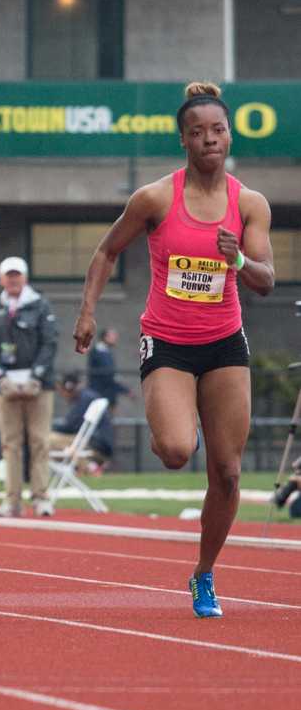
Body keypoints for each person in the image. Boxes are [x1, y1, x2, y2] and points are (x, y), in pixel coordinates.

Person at [74, 81, 275, 618]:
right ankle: (170, 420)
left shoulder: (249, 204)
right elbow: (106, 250)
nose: (210, 140)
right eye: (198, 133)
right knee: (175, 451)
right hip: (166, 341)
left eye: (218, 130)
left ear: (229, 135)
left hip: (225, 343)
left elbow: (266, 280)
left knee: (228, 472)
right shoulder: (156, 198)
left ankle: (204, 574)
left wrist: (236, 261)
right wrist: (89, 310)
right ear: (183, 141)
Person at [0, 256, 59, 518]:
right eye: (8, 275)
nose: (13, 280)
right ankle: (12, 500)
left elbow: (50, 342)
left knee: (39, 441)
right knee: (10, 444)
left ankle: (41, 497)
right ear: (1, 279)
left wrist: (36, 375)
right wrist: (0, 377)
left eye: (17, 275)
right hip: (7, 384)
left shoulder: (40, 305)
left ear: (25, 278)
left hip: (39, 385)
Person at [50, 371, 113, 472]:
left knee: (47, 440)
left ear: (68, 388)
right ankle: (87, 466)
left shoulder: (84, 399)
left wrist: (49, 427)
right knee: (51, 441)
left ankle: (89, 467)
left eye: (62, 390)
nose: (61, 394)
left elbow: (70, 426)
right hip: (98, 443)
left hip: (96, 445)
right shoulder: (87, 396)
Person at [87, 327, 130, 409]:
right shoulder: (99, 352)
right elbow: (108, 374)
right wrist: (124, 390)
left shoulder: (105, 352)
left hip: (106, 395)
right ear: (105, 337)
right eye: (112, 336)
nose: (115, 338)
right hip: (101, 395)